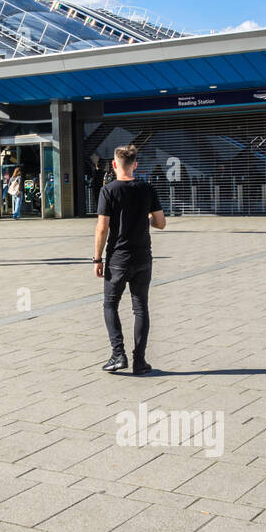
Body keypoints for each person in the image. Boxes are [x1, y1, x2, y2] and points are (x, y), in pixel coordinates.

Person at [94, 144, 166, 376]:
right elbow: (161, 223)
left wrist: (97, 258)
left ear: (115, 165)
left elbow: (102, 228)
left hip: (117, 258)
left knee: (110, 304)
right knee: (140, 307)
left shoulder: (108, 190)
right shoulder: (147, 188)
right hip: (143, 257)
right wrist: (145, 219)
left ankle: (118, 355)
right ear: (135, 165)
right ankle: (140, 361)